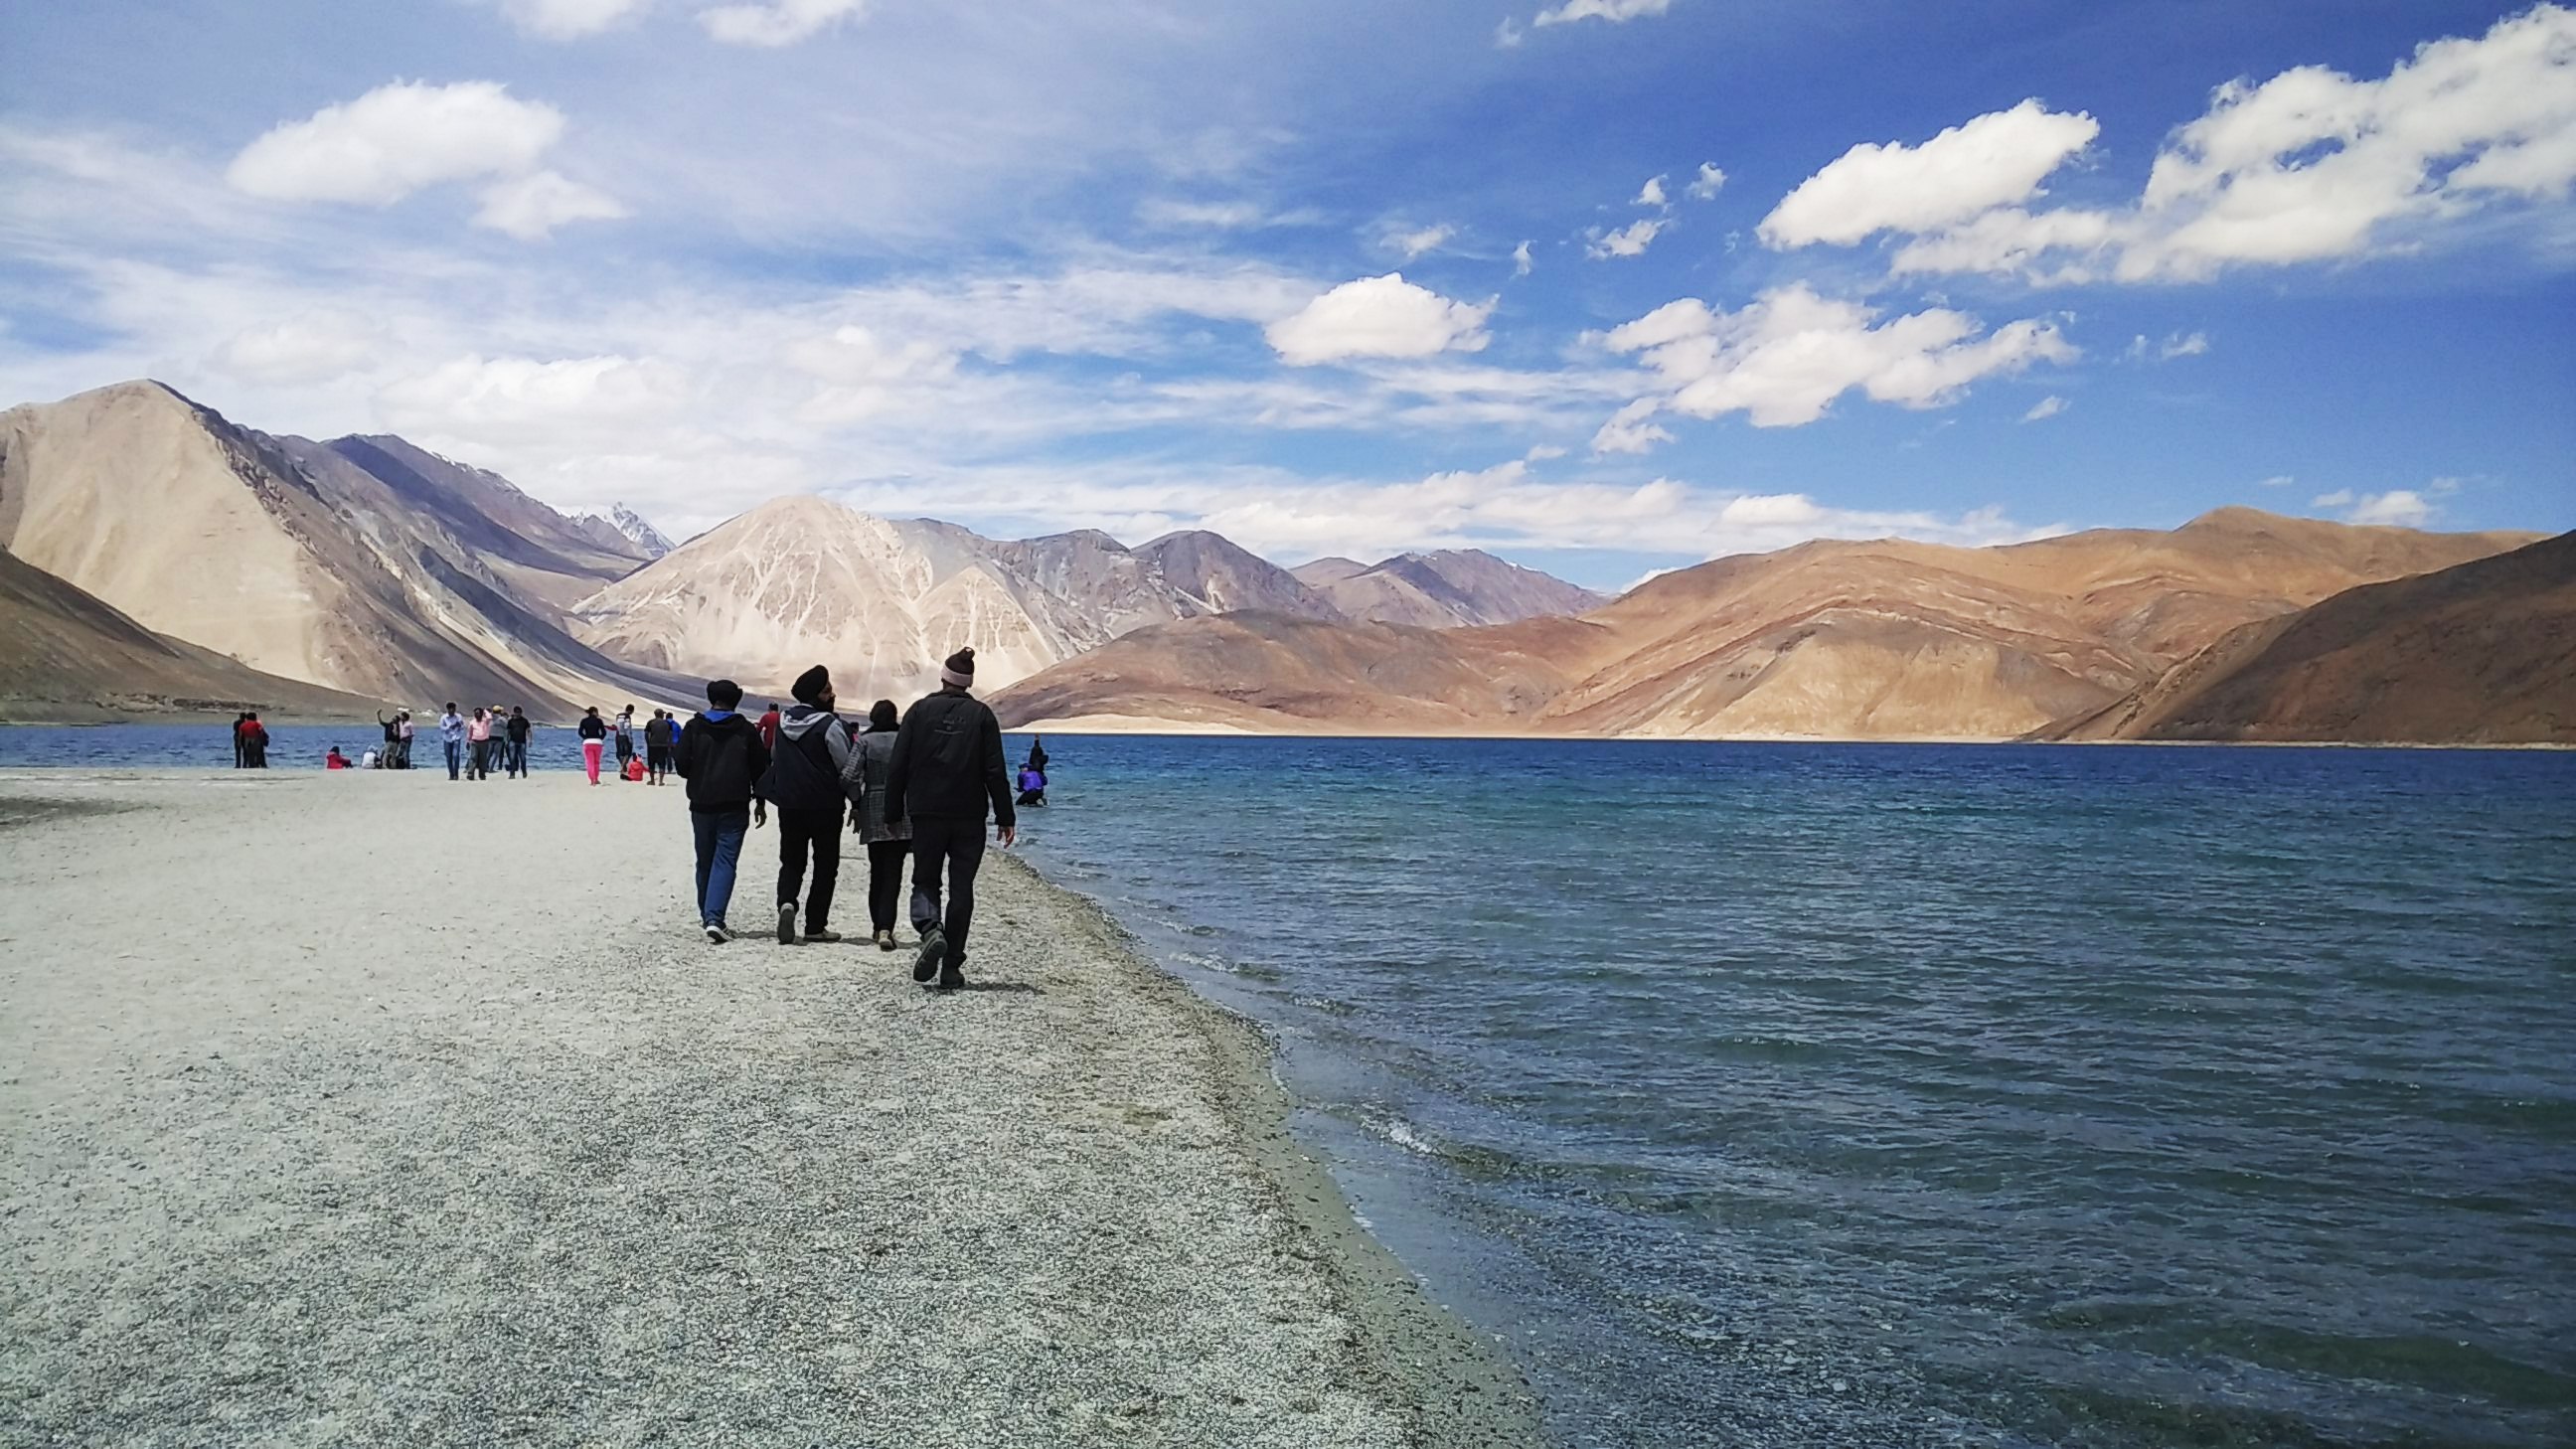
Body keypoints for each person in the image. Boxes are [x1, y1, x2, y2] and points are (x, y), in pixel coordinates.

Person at [886, 647, 1015, 990]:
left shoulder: (919, 712)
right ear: (968, 683)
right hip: (970, 816)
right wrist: (1006, 815)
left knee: (925, 880)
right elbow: (994, 771)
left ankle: (930, 929)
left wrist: (891, 810)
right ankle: (952, 965)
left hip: (926, 812)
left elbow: (898, 764)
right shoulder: (983, 716)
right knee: (962, 889)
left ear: (943, 677)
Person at [761, 666, 857, 945]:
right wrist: (857, 800)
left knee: (791, 860)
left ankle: (787, 903)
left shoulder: (782, 722)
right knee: (825, 864)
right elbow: (846, 765)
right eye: (828, 690)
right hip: (825, 805)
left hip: (789, 803)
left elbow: (777, 757)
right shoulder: (829, 725)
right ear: (817, 696)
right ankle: (815, 925)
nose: (833, 694)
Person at [675, 678, 770, 944]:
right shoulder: (745, 730)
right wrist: (760, 800)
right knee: (725, 860)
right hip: (735, 803)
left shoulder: (694, 727)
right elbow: (760, 767)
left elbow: (681, 765)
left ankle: (709, 917)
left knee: (704, 859)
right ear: (736, 700)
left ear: (710, 698)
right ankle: (715, 919)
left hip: (701, 803)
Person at [841, 699, 910, 952]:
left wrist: (855, 802)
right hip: (902, 807)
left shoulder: (864, 742)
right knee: (894, 871)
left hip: (873, 806)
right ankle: (886, 927)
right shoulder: (905, 740)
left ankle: (877, 925)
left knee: (877, 870)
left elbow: (848, 775)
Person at [576, 706, 607, 785]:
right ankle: (596, 779)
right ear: (594, 712)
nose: (598, 714)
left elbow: (580, 732)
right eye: (597, 712)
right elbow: (604, 732)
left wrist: (585, 738)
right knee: (596, 762)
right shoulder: (599, 721)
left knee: (589, 762)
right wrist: (600, 738)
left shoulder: (584, 721)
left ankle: (592, 779)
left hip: (587, 743)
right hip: (598, 743)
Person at [644, 709, 676, 785]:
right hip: (663, 745)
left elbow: (646, 734)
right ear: (661, 714)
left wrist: (648, 743)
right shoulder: (667, 723)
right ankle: (661, 781)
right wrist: (669, 744)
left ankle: (652, 780)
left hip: (652, 745)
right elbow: (670, 735)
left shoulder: (650, 722)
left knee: (651, 763)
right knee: (662, 763)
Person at [438, 704, 466, 780]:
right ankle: (451, 774)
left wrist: (459, 725)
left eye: (454, 709)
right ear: (448, 709)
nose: (452, 710)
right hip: (447, 738)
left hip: (456, 737)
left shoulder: (459, 716)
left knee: (456, 756)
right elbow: (441, 728)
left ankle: (456, 774)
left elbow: (463, 726)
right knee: (449, 757)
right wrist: (449, 727)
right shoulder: (444, 717)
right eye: (451, 709)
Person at [505, 706, 531, 778]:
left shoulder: (524, 721)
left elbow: (528, 730)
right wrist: (506, 740)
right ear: (514, 712)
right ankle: (512, 774)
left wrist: (530, 740)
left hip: (522, 742)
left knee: (523, 758)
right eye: (516, 712)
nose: (518, 714)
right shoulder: (511, 721)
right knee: (512, 758)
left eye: (519, 712)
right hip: (512, 741)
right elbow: (508, 731)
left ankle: (524, 772)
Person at [613, 706, 637, 778]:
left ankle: (623, 767)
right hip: (625, 736)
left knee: (620, 753)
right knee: (628, 753)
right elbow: (627, 727)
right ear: (631, 710)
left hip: (618, 736)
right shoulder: (627, 716)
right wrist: (630, 738)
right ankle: (623, 767)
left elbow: (618, 726)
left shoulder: (619, 715)